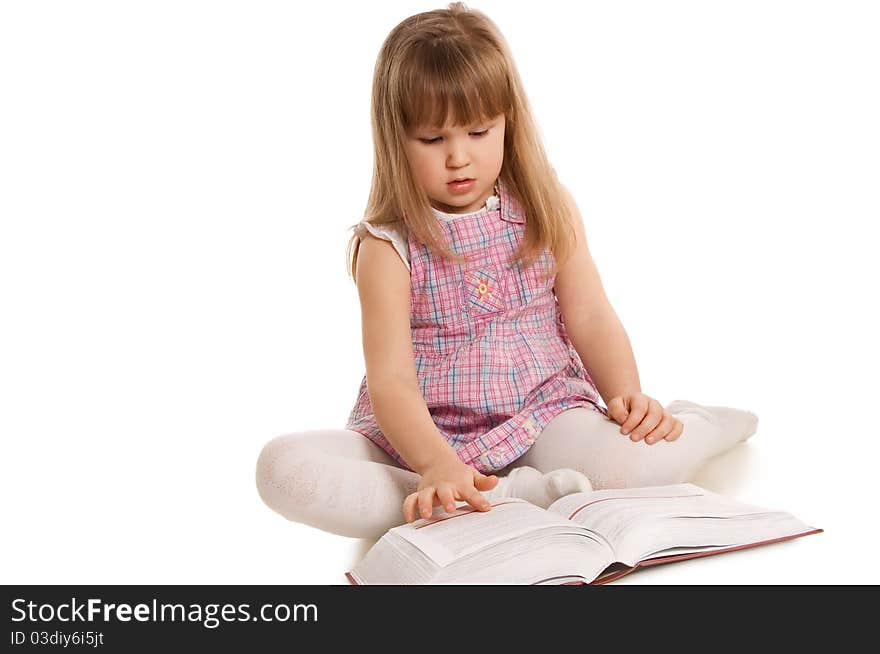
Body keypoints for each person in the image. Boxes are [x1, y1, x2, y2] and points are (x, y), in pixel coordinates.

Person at [255, 2, 758, 541]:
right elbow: (391, 380)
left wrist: (626, 393)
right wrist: (435, 463)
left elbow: (589, 314)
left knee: (634, 468)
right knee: (282, 469)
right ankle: (505, 494)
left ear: (506, 122)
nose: (458, 158)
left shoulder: (546, 206)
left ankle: (699, 428)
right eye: (433, 139)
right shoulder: (386, 246)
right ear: (394, 137)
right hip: (420, 438)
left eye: (477, 132)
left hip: (540, 414)